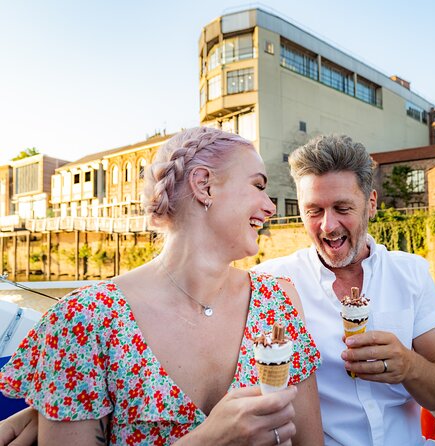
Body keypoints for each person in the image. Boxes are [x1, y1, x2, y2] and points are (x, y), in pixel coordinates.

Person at [0, 127, 323, 445]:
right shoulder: (85, 319)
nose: (271, 206)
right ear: (204, 186)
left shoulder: (277, 302)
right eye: (258, 185)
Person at [254, 134, 435, 445]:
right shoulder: (272, 282)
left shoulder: (411, 273)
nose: (328, 225)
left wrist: (409, 365)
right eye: (314, 211)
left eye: (342, 207)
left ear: (371, 204)